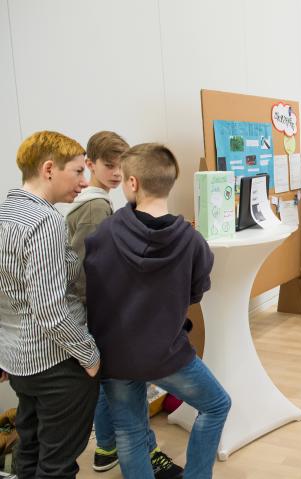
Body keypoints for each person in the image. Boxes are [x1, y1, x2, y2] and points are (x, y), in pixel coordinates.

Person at [84, 143, 231, 479]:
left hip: (115, 355)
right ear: (170, 183)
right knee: (217, 404)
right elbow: (196, 292)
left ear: (132, 183)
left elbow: (90, 288)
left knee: (131, 432)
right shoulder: (193, 242)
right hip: (167, 354)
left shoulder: (104, 234)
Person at [63, 131, 182, 477]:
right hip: (103, 312)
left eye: (120, 166)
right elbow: (94, 267)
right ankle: (136, 450)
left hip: (100, 311)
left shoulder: (98, 202)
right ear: (89, 164)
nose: (116, 173)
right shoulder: (95, 206)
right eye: (108, 165)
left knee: (111, 381)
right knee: (124, 384)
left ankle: (105, 447)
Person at [0, 131, 100, 478]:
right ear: (48, 170)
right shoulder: (45, 221)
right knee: (57, 463)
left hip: (19, 362)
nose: (84, 182)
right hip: (56, 362)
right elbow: (50, 310)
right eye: (77, 172)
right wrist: (89, 354)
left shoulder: (5, 212)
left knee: (30, 449)